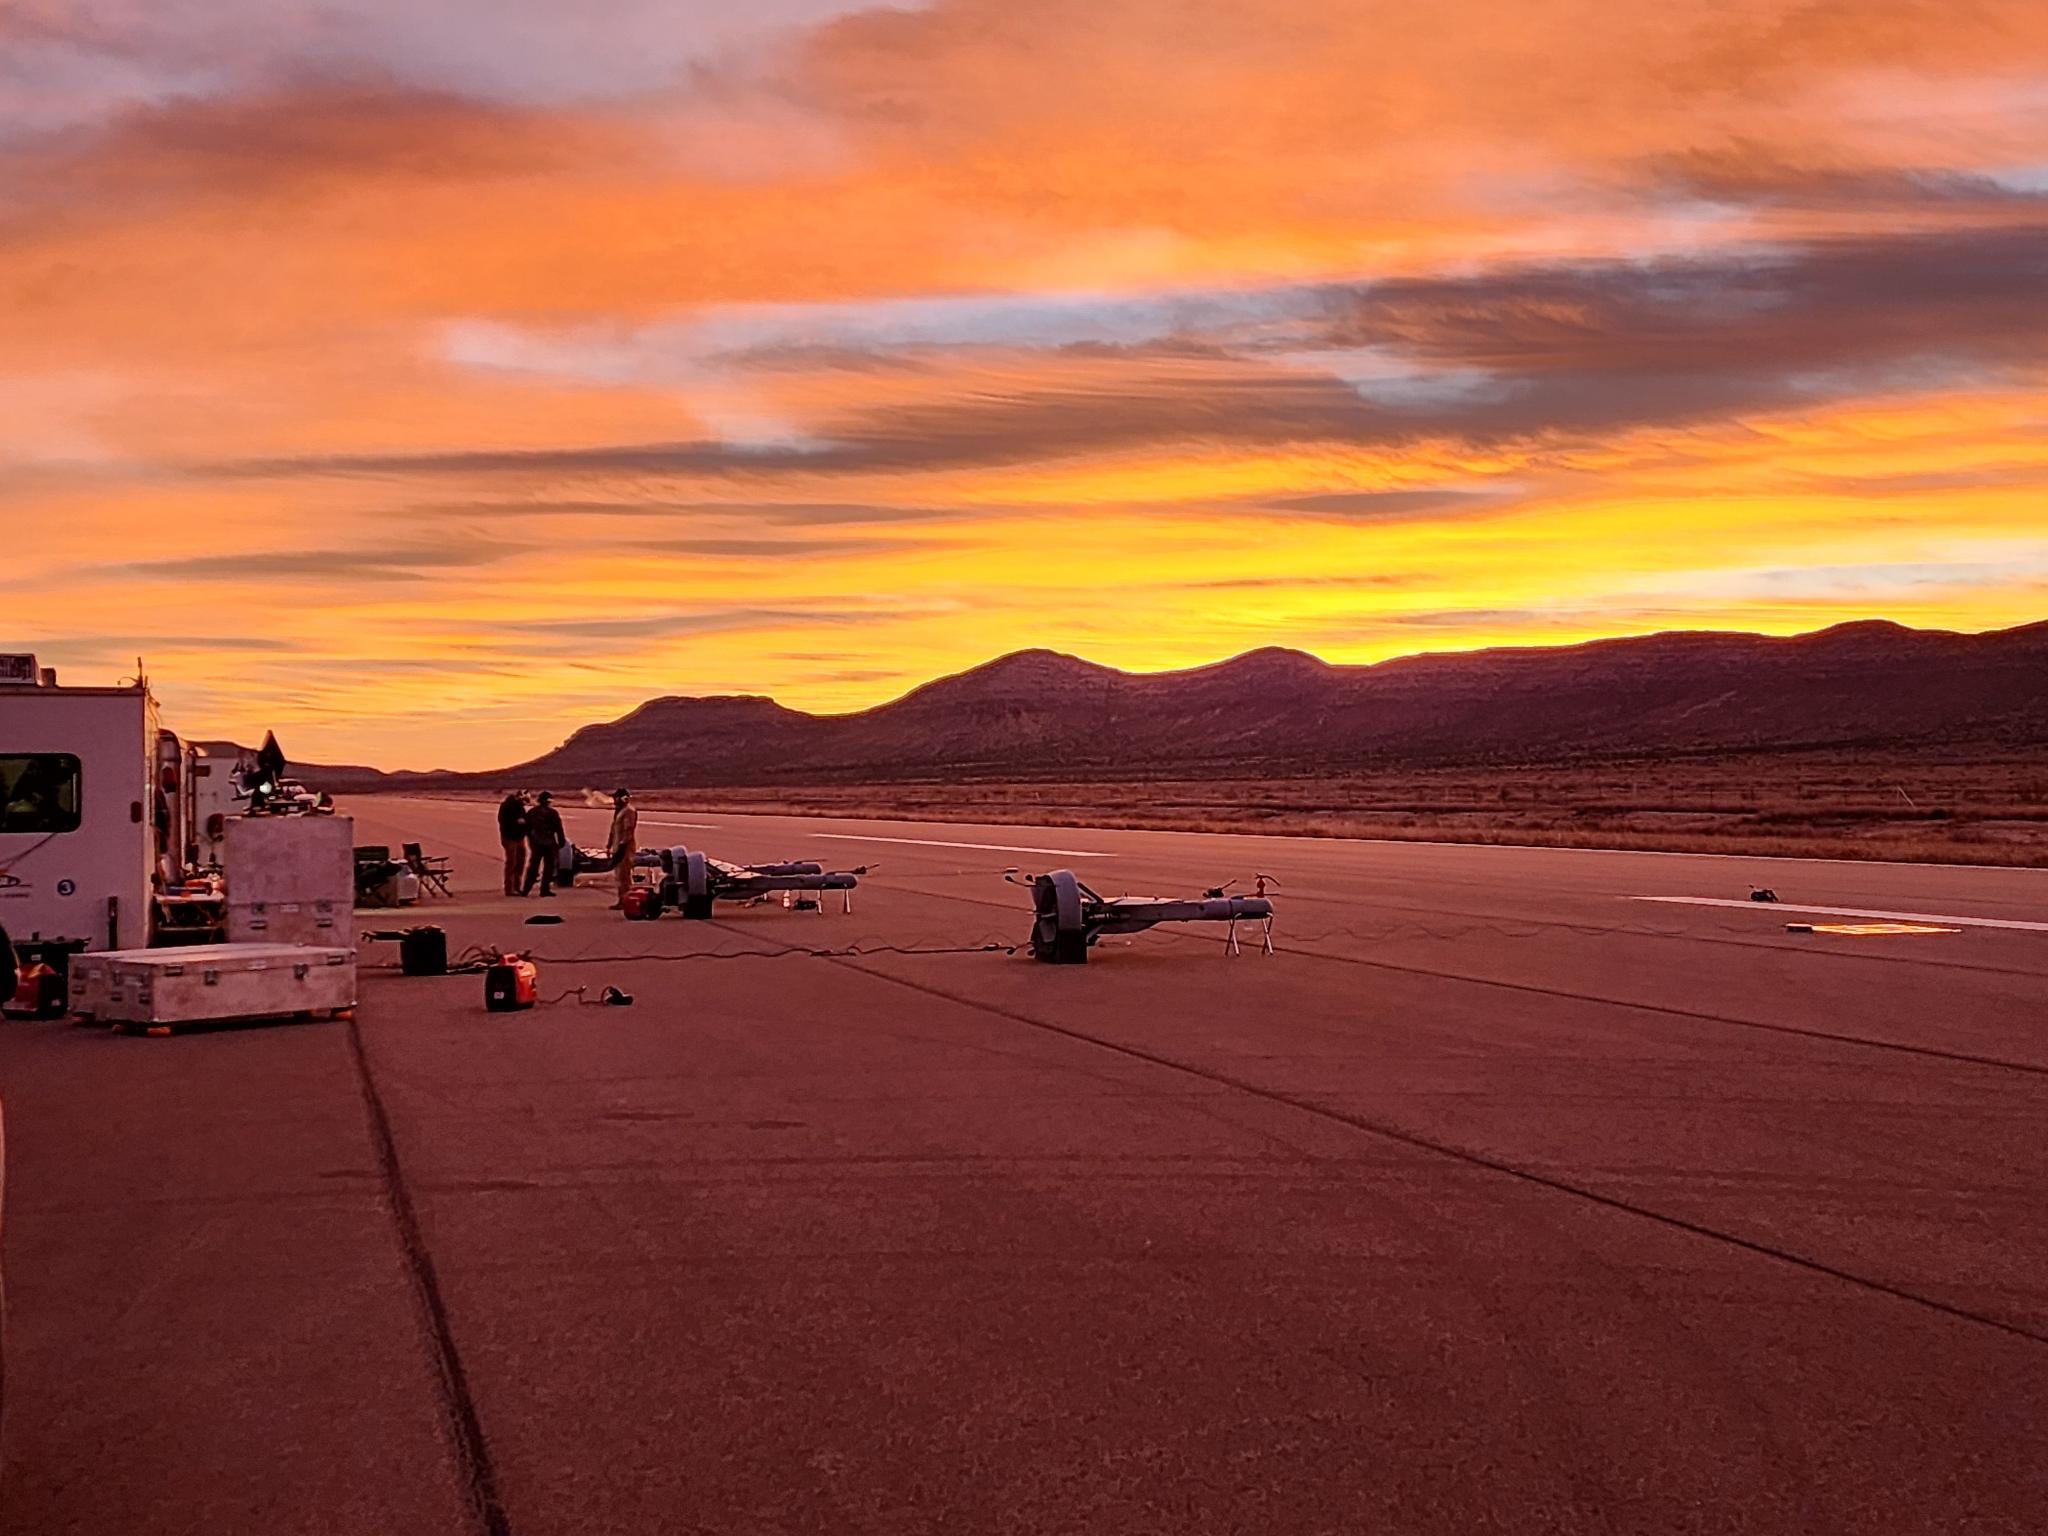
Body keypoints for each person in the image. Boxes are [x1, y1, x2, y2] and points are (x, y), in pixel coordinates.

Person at [522, 791, 565, 898]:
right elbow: (559, 829)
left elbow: (526, 828)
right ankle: (544, 890)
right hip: (549, 843)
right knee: (548, 868)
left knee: (533, 866)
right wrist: (561, 841)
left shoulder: (532, 812)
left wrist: (531, 840)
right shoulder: (553, 813)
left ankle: (526, 889)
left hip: (536, 844)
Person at [607, 787, 638, 908]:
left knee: (624, 876)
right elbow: (614, 830)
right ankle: (622, 899)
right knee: (619, 875)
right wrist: (609, 844)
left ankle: (627, 900)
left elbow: (628, 830)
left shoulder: (629, 811)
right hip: (617, 847)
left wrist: (622, 845)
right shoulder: (619, 811)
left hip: (625, 849)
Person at [497, 790, 529, 896]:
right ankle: (509, 888)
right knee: (512, 862)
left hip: (519, 837)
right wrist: (517, 823)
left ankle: (517, 886)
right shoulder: (507, 807)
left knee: (520, 862)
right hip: (510, 837)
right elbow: (503, 821)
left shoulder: (520, 808)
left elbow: (525, 821)